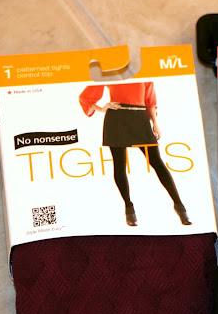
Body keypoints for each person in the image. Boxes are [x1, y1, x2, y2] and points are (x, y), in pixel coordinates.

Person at [79, 81, 191, 227]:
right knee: (119, 165)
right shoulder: (110, 73)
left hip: (140, 118)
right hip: (117, 119)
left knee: (157, 163)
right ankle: (129, 208)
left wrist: (155, 123)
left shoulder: (143, 73)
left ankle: (179, 206)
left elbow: (150, 102)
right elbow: (85, 97)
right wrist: (101, 109)